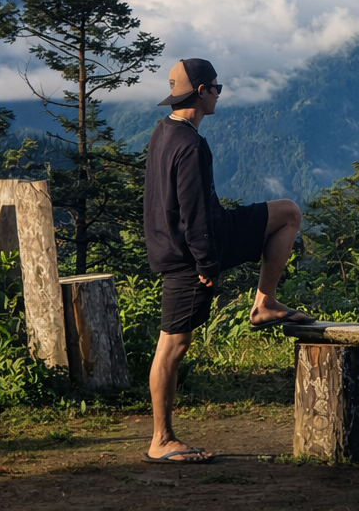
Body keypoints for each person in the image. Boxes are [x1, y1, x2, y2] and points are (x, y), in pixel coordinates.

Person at [142, 58, 315, 464]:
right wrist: (205, 265)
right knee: (173, 343)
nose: (219, 93)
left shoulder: (165, 132)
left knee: (287, 213)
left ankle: (264, 302)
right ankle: (161, 439)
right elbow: (193, 211)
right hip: (191, 252)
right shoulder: (189, 144)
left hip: (203, 237)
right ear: (200, 92)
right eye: (216, 87)